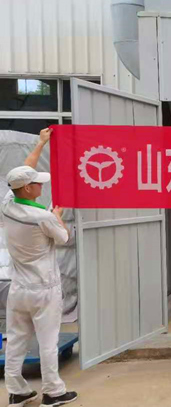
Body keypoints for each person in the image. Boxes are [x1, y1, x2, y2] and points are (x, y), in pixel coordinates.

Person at [1, 128, 78, 406]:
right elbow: (64, 237)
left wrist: (41, 143)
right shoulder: (40, 217)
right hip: (44, 290)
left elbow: (24, 170)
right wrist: (57, 216)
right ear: (27, 189)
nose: (41, 186)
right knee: (48, 341)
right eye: (37, 184)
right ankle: (53, 392)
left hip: (19, 289)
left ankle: (16, 391)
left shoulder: (8, 204)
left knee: (16, 341)